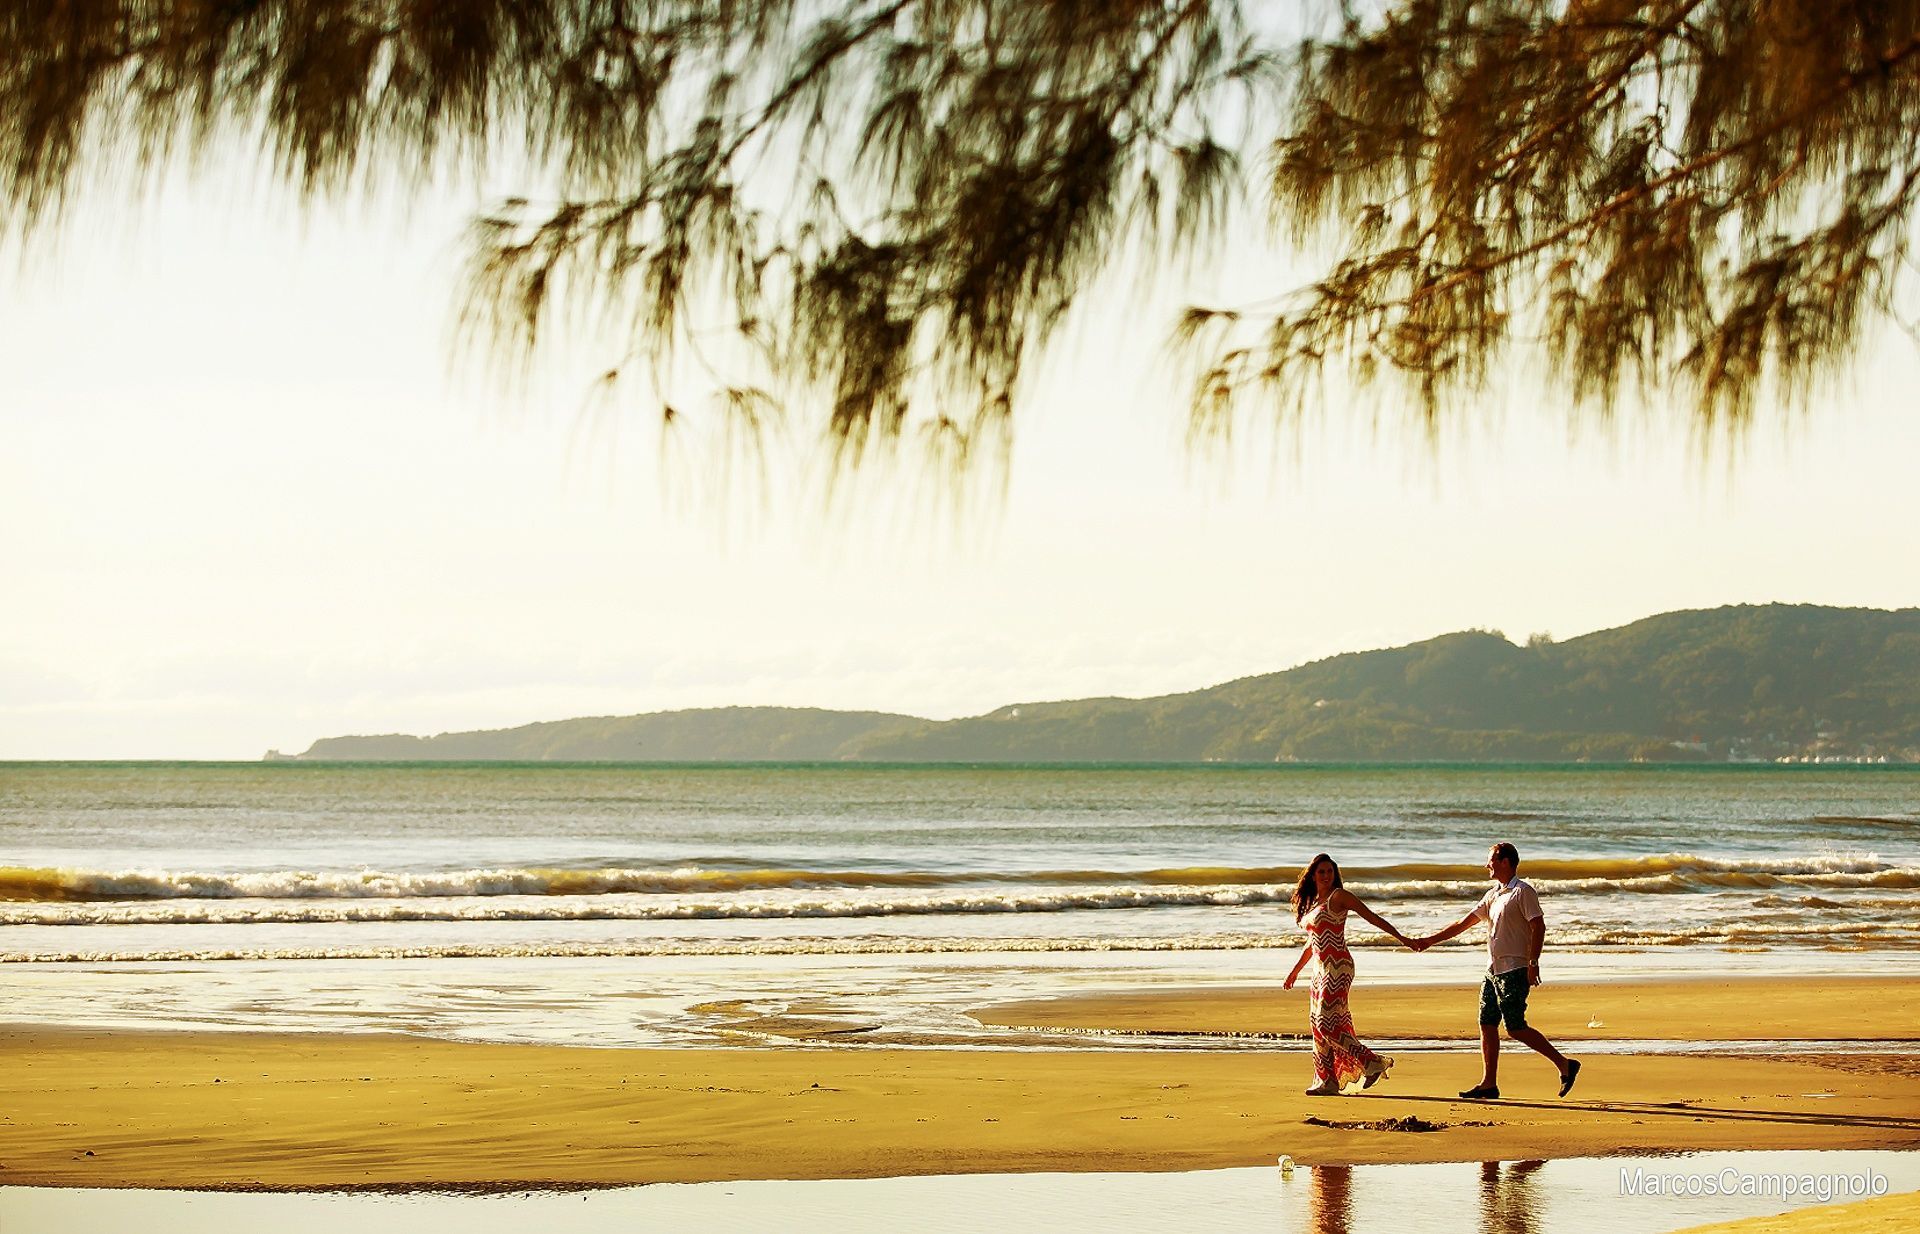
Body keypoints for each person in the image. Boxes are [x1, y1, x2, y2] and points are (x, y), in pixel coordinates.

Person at [1413, 842, 1581, 1099]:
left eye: (1490, 860)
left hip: (1515, 968)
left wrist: (1533, 962)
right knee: (1487, 1023)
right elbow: (1464, 923)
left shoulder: (1523, 892)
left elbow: (1539, 926)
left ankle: (1564, 1065)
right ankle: (1488, 1084)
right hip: (1492, 969)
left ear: (1505, 862)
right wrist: (1429, 940)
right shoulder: (1493, 894)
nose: (1486, 865)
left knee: (1515, 1027)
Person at [1284, 852, 1412, 1096]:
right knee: (1317, 1026)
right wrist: (1295, 971)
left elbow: (1372, 918)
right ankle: (1327, 1081)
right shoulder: (1314, 905)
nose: (1325, 875)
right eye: (1321, 871)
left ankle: (1371, 1062)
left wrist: (1403, 938)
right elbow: (1313, 942)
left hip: (1339, 967)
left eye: (1329, 871)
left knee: (1326, 1022)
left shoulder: (1339, 897)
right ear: (1312, 875)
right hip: (1319, 970)